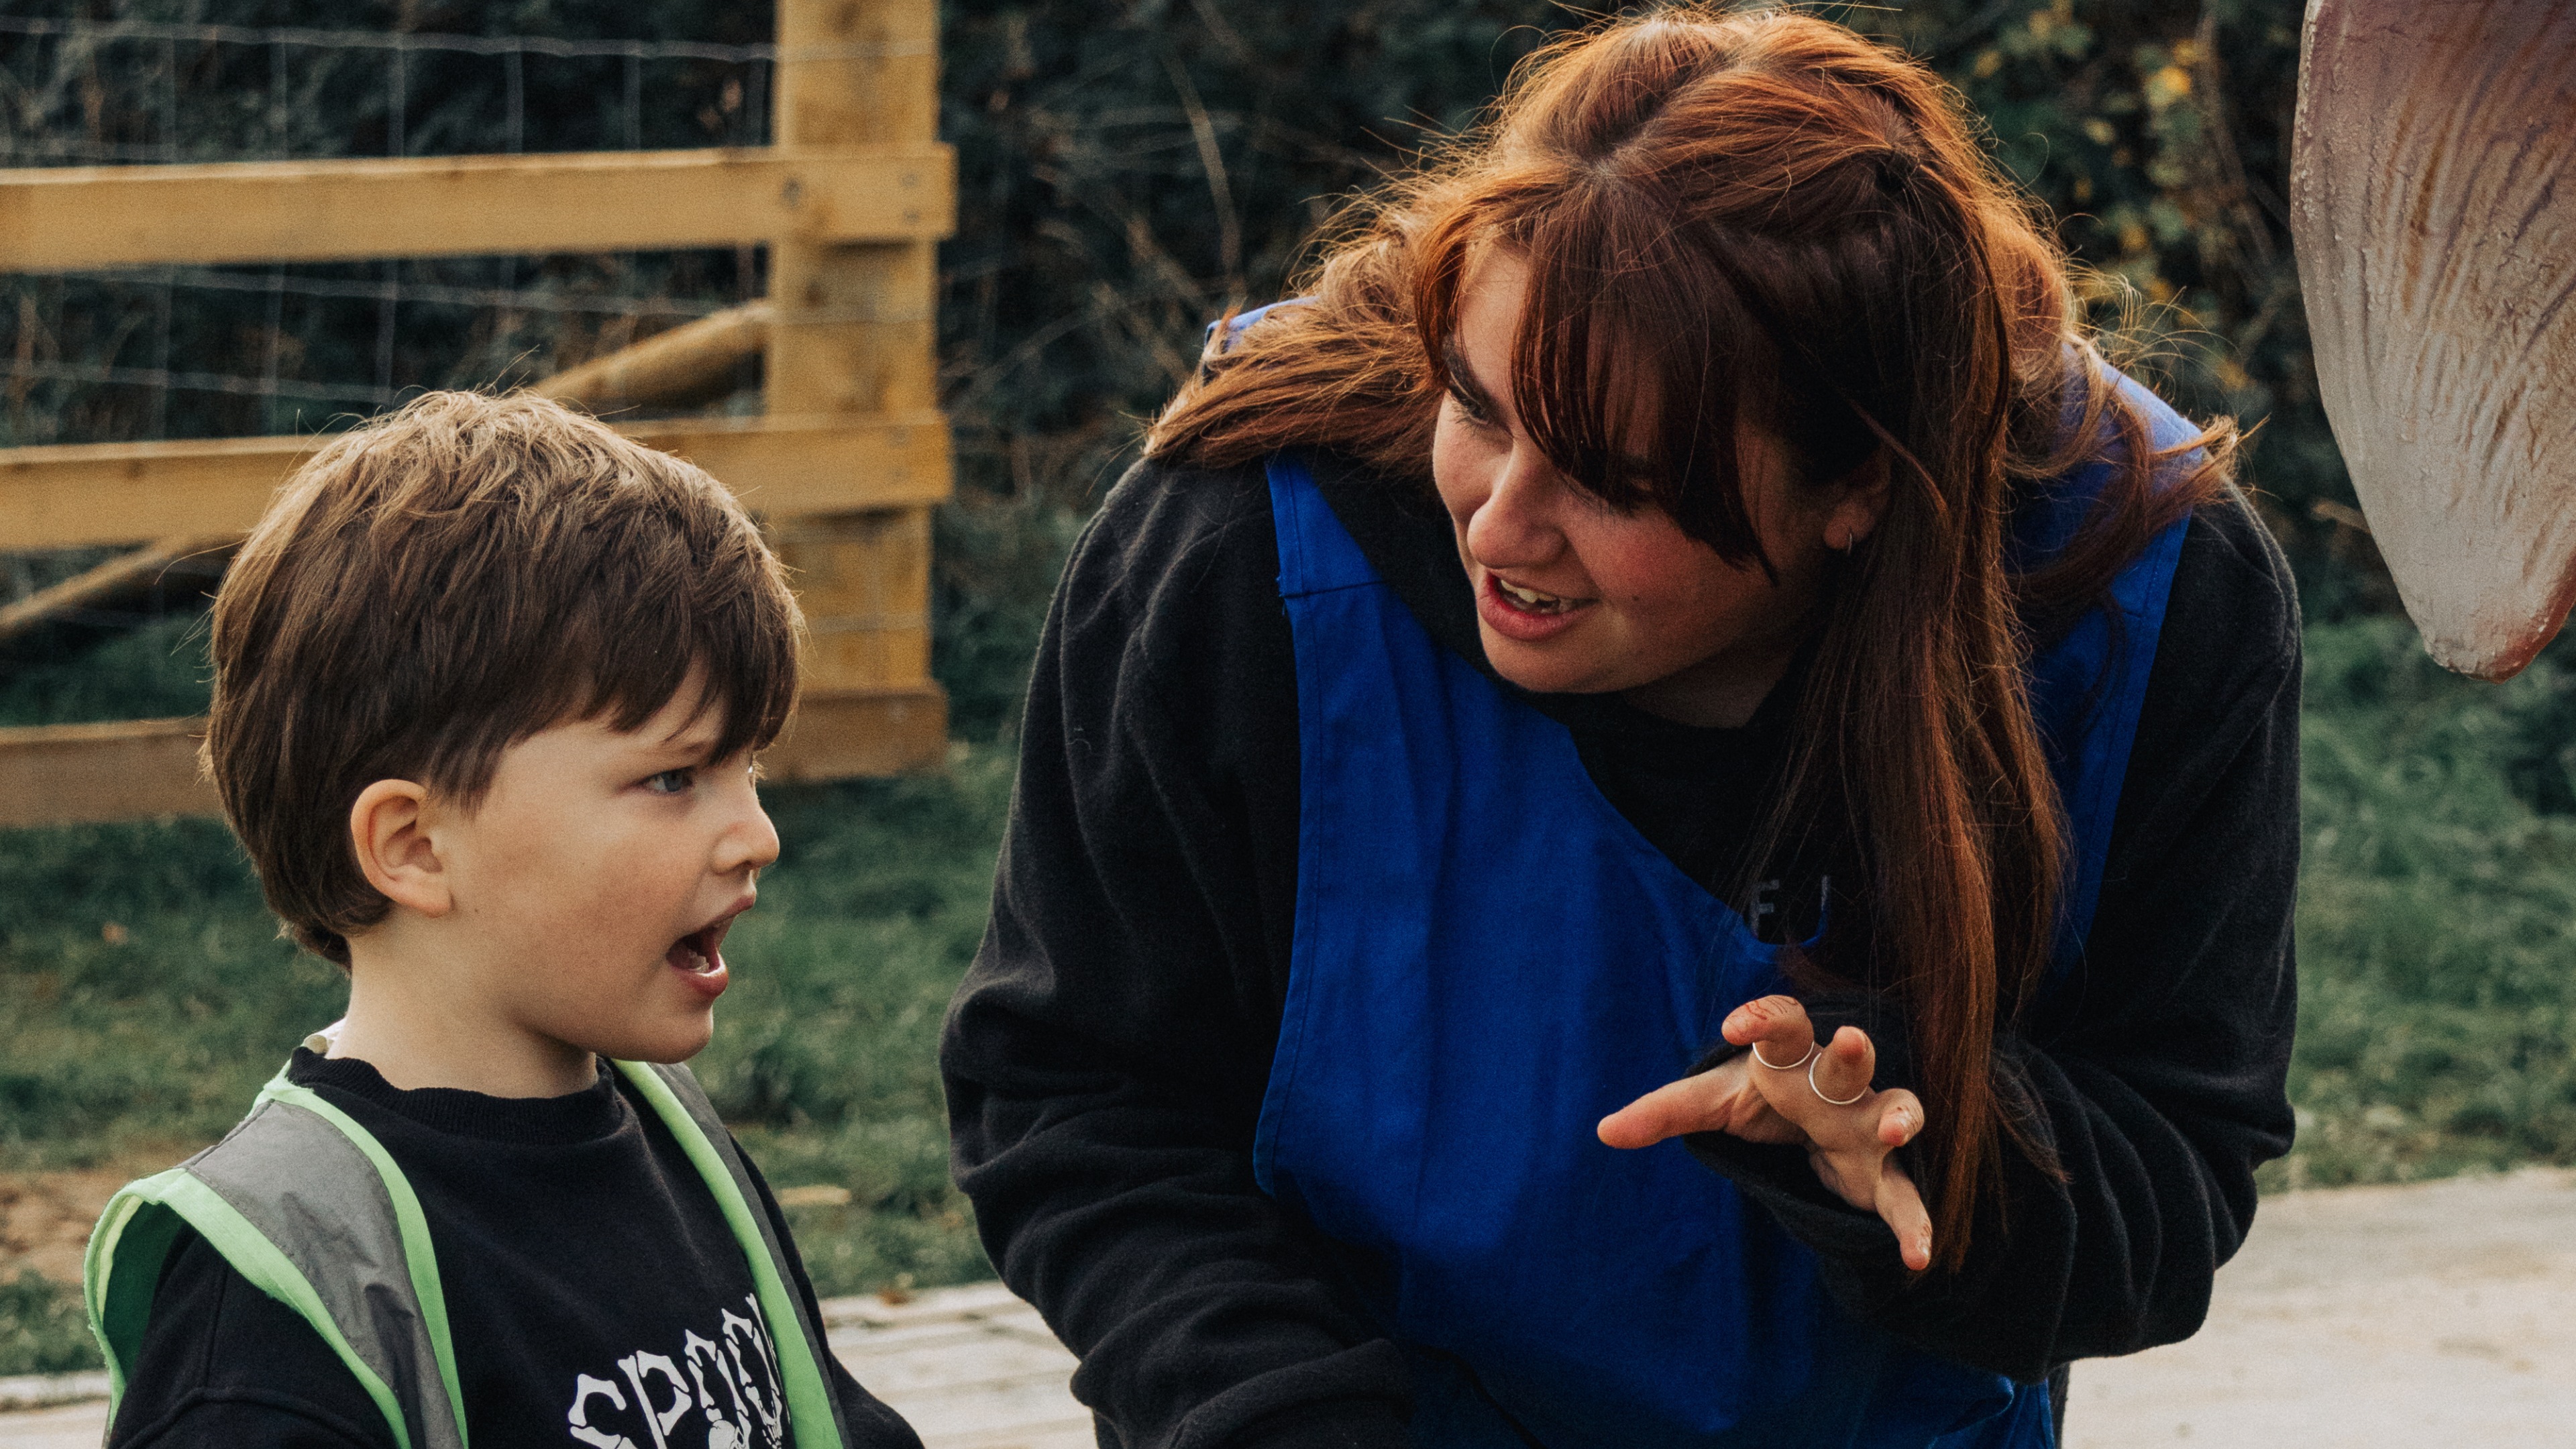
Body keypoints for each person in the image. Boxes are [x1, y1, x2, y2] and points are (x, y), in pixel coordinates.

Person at [941, 9, 2299, 1448]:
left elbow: (2176, 1175)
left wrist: (1926, 1138)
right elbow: (1079, 1097)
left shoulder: (2150, 591)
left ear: (1862, 493)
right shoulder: (1240, 536)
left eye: (1613, 479)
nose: (1500, 521)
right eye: (1474, 402)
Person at [84, 392, 923, 1449]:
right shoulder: (278, 1295)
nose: (757, 834)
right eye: (674, 777)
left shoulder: (679, 1139)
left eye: (746, 767)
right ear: (416, 846)